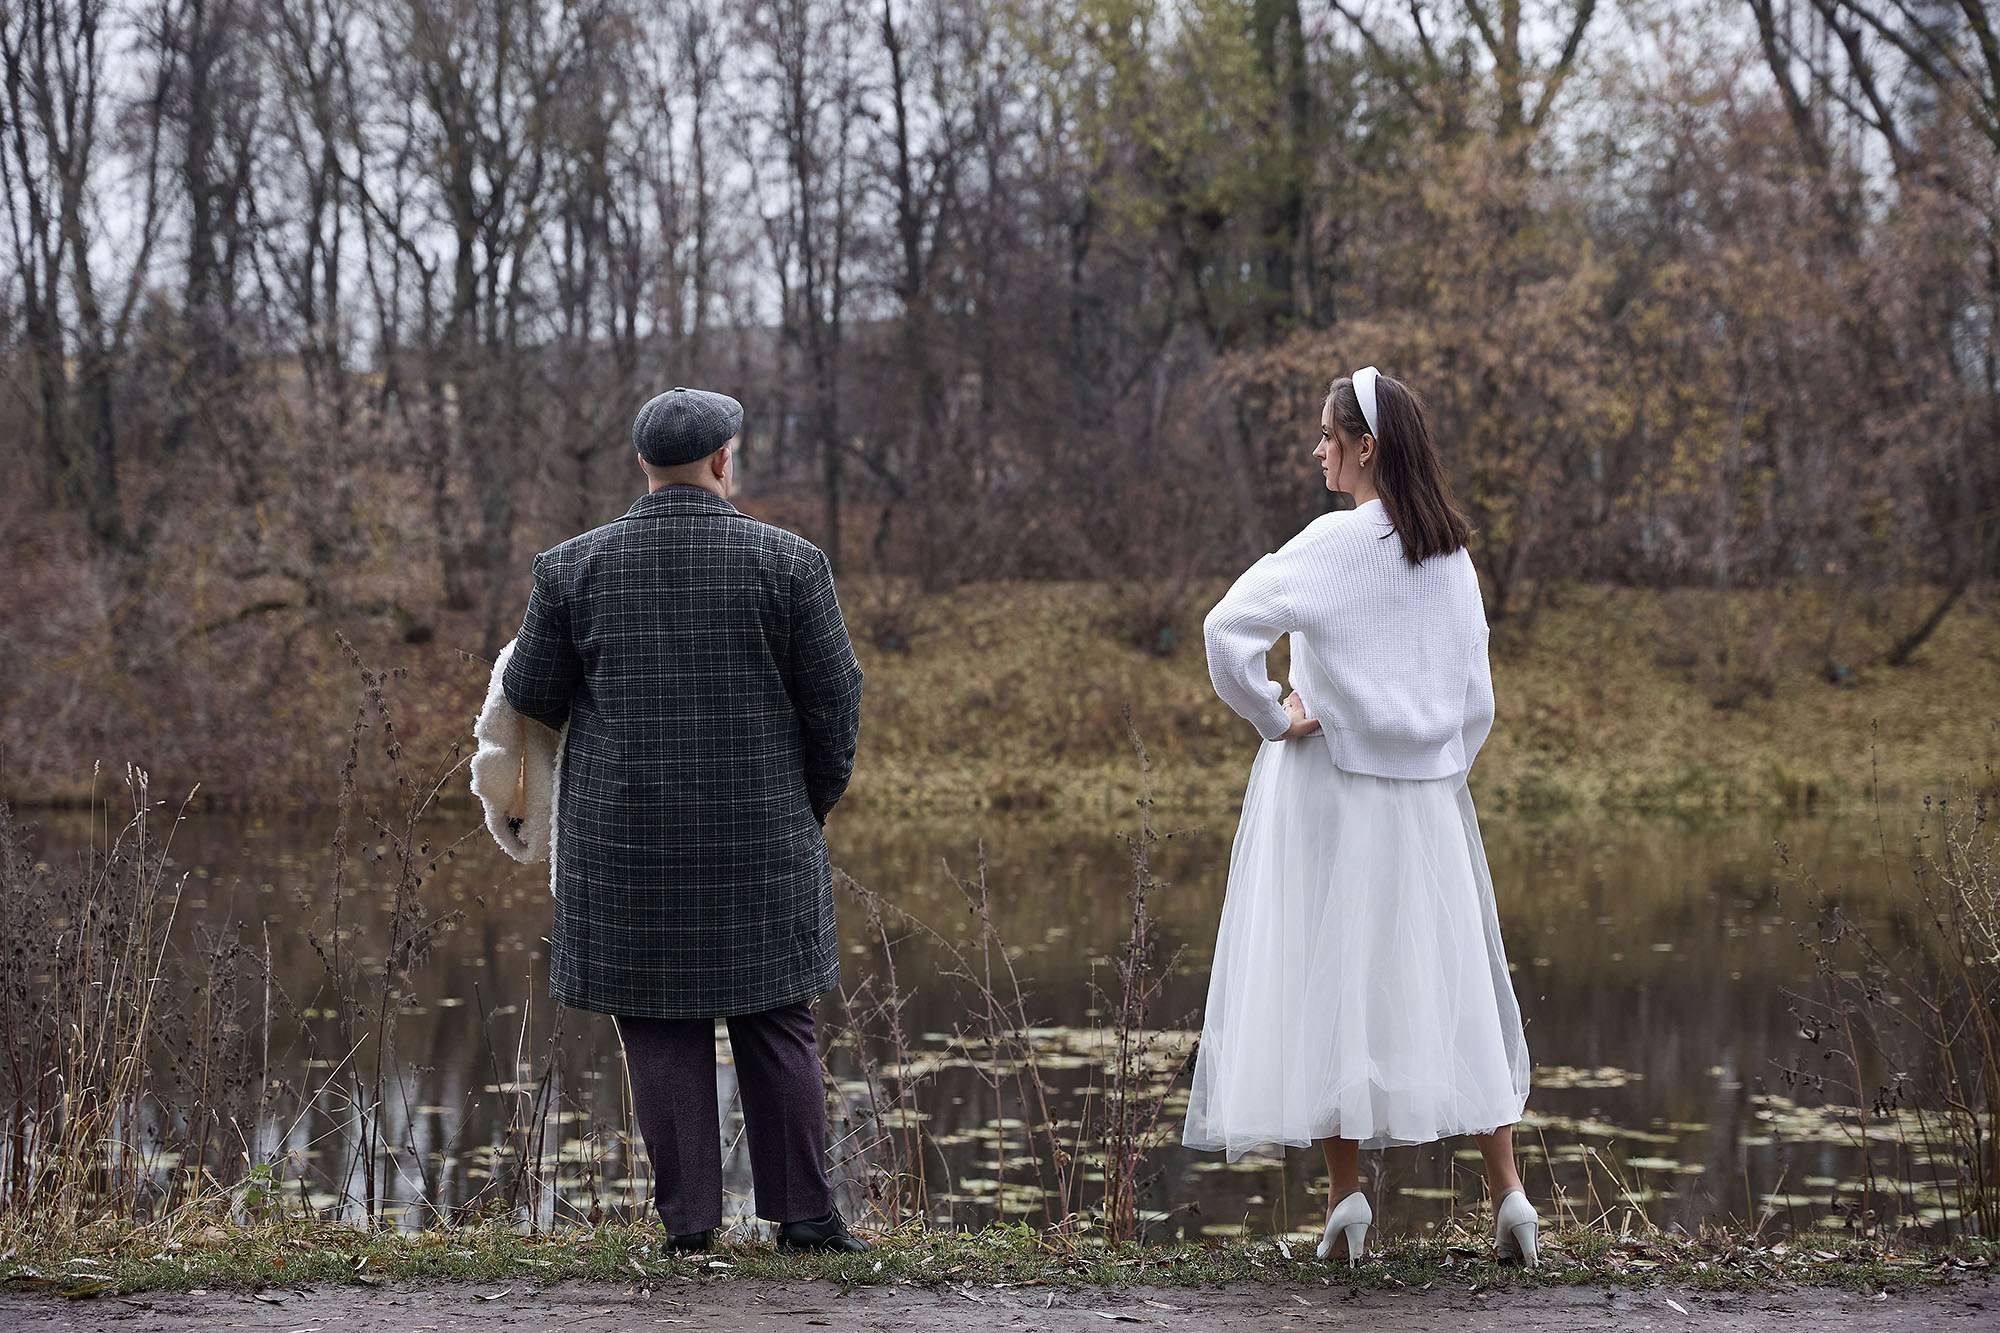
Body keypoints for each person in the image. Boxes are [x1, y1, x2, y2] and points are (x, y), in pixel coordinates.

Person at [1181, 366, 1538, 1268]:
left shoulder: (1334, 546)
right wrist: (1436, 763)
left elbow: (1226, 630)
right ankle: (1510, 1194)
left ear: (1366, 448)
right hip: (1423, 809)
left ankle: (1346, 1201)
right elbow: (1476, 700)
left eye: (1328, 436)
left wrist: (1276, 715)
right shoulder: (1449, 557)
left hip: (1329, 795)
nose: (1317, 449)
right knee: (1449, 982)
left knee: (1330, 979)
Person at [501, 386, 868, 1254]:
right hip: (764, 839)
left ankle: (690, 1225)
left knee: (659, 1026)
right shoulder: (791, 564)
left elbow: (532, 699)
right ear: (723, 459)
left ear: (642, 465)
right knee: (778, 1019)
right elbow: (838, 704)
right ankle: (806, 1217)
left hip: (623, 848)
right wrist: (801, 805)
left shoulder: (571, 567)